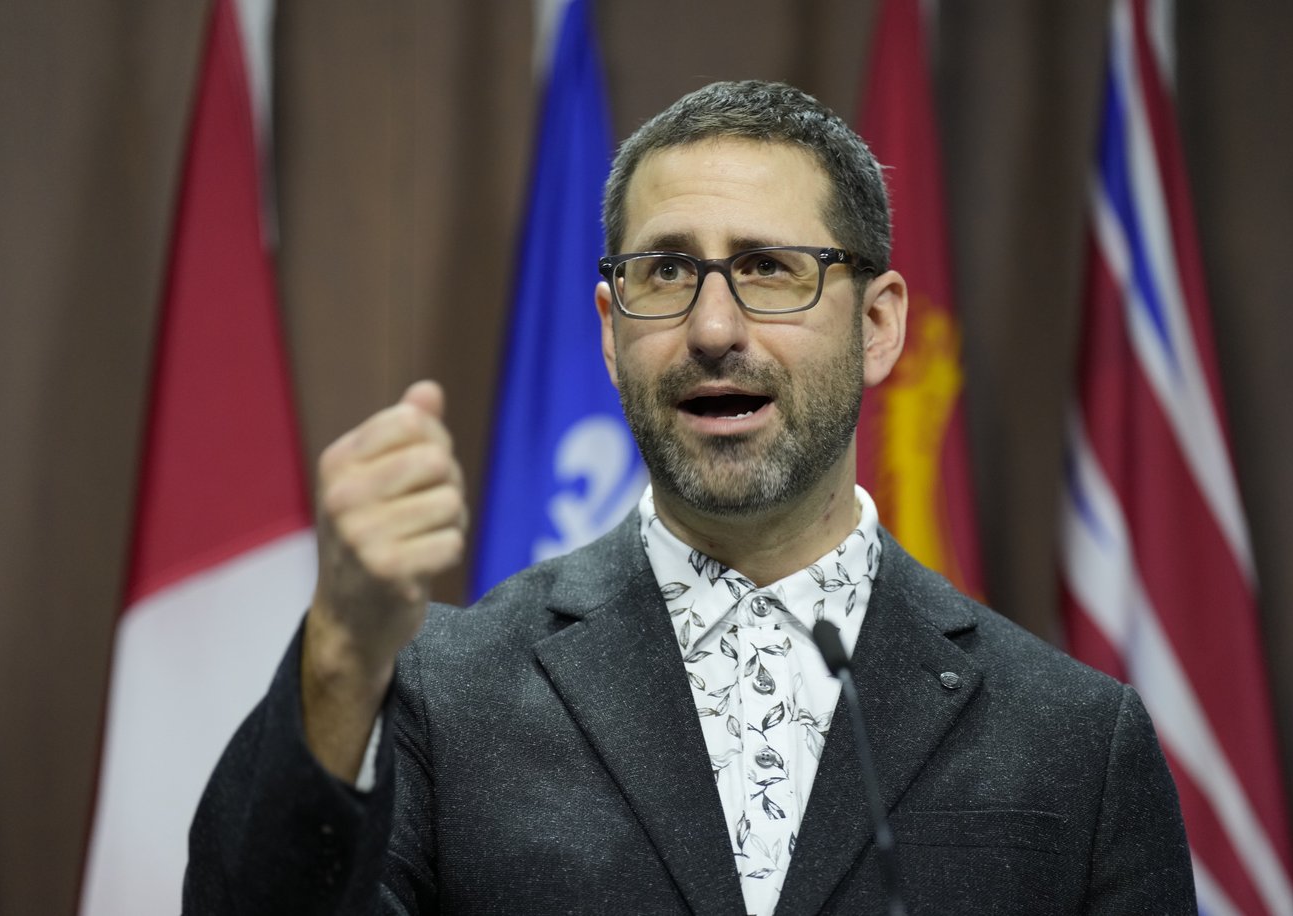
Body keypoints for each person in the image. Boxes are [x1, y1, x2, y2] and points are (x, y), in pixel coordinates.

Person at [184, 80, 1194, 915]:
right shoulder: (442, 693)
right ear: (610, 328)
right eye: (666, 272)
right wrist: (340, 650)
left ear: (878, 326)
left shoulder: (1073, 741)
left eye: (769, 268)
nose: (713, 328)